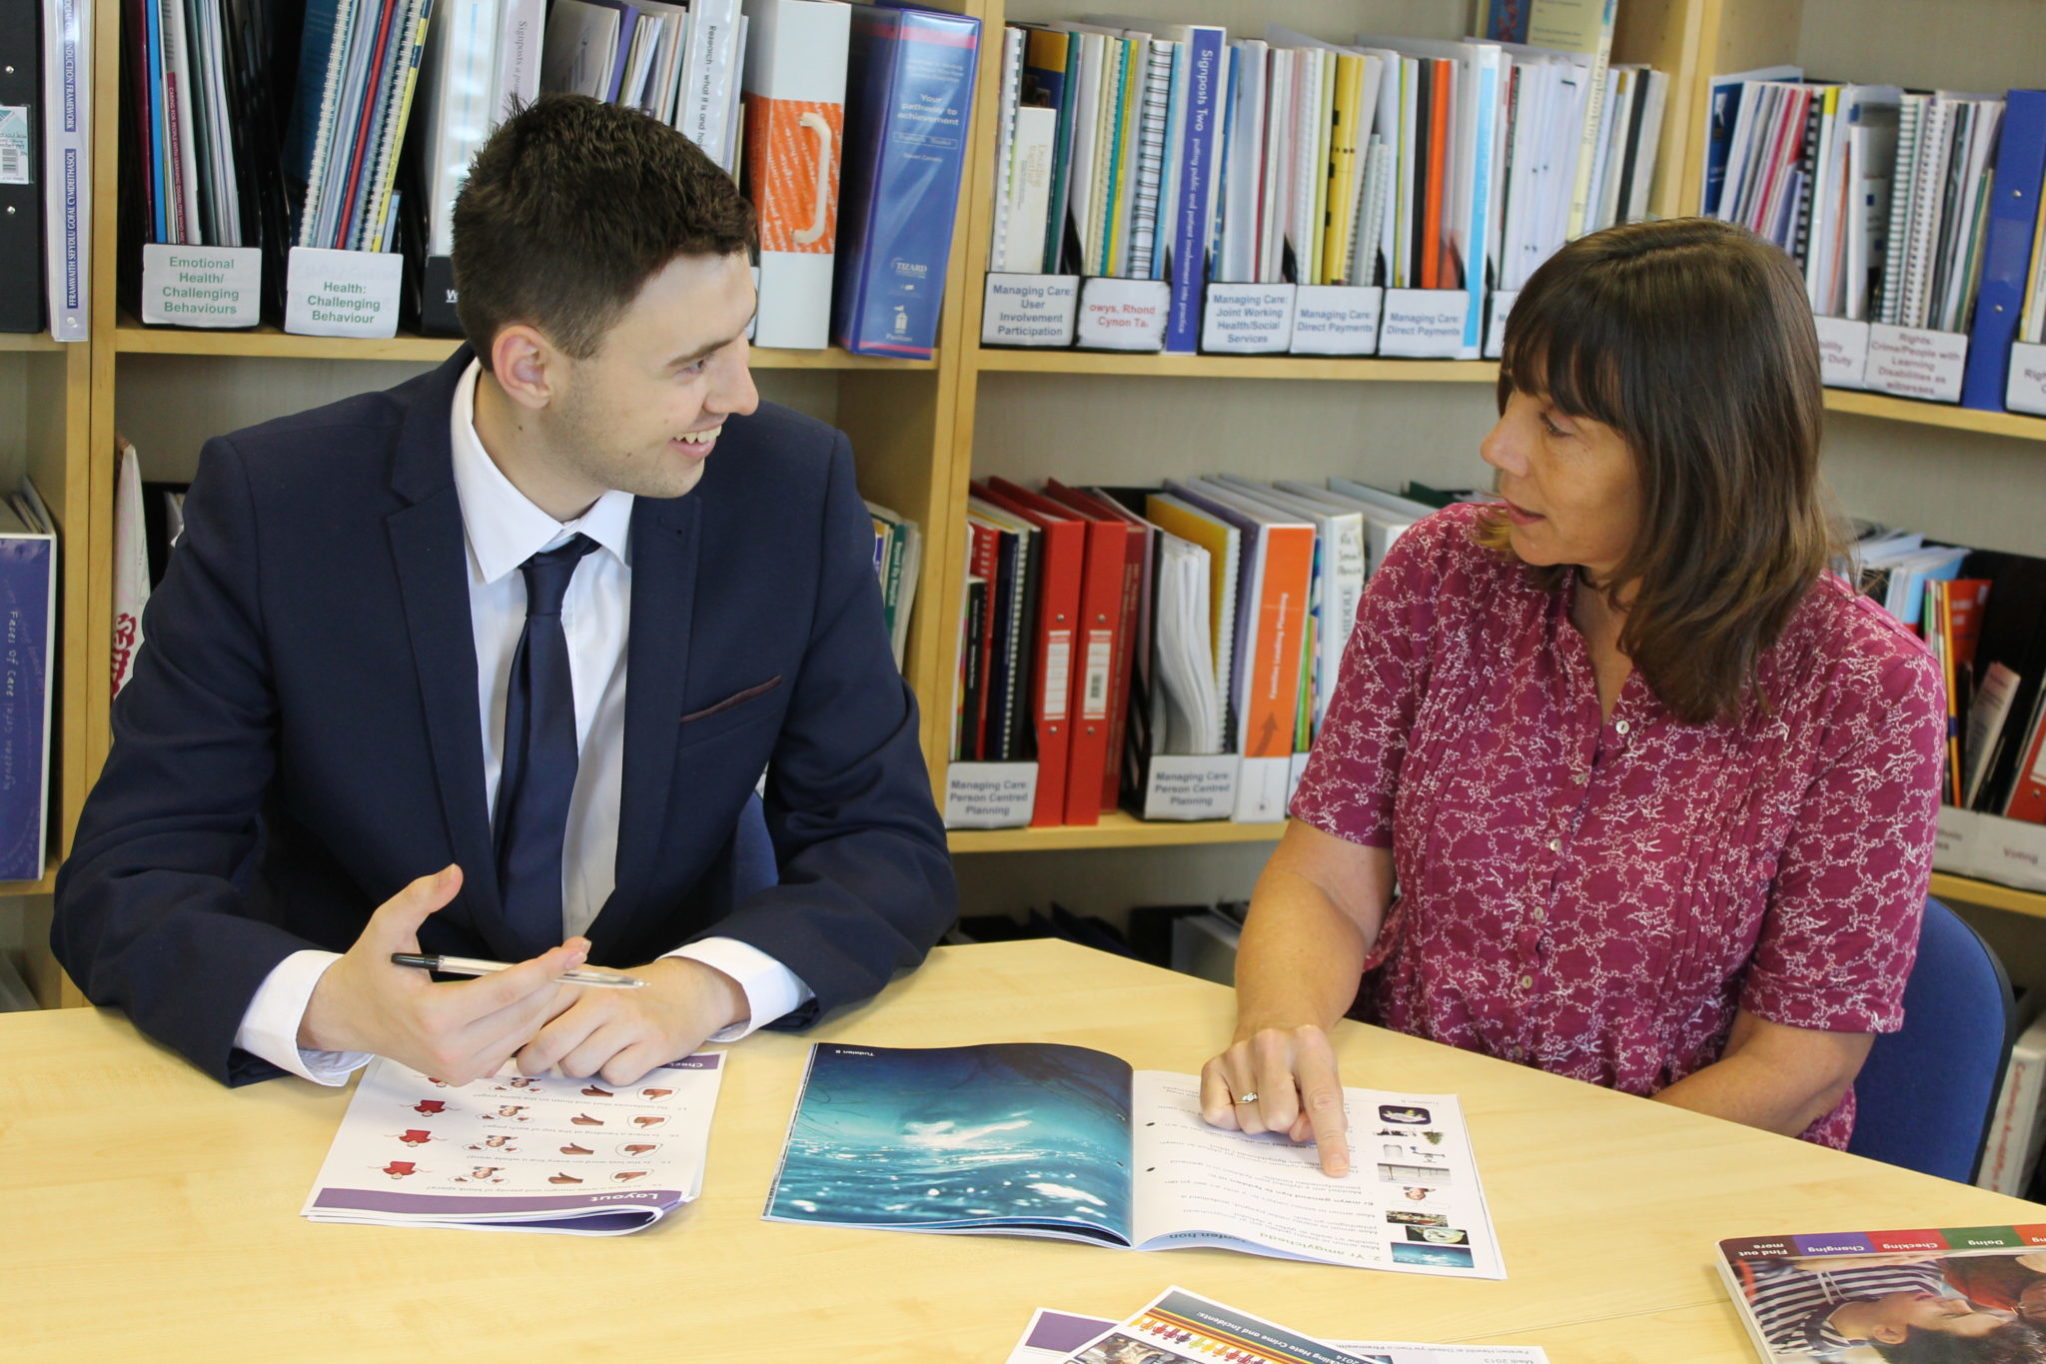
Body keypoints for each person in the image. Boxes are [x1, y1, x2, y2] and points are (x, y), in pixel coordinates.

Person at [52, 95, 955, 1089]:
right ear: (530, 365)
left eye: (741, 337)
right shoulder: (279, 507)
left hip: (660, 1082)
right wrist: (329, 1002)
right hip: (360, 1093)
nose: (740, 393)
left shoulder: (788, 488)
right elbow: (124, 883)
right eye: (693, 362)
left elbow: (885, 845)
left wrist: (703, 986)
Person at [1197, 218, 1945, 1175]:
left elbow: (1801, 1061)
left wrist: (1553, 1174)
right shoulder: (1445, 574)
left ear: (1697, 457)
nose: (1500, 445)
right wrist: (1280, 1028)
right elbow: (1327, 878)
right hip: (1405, 1143)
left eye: (1559, 425)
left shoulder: (1863, 686)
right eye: (1513, 395)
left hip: (1669, 1175)